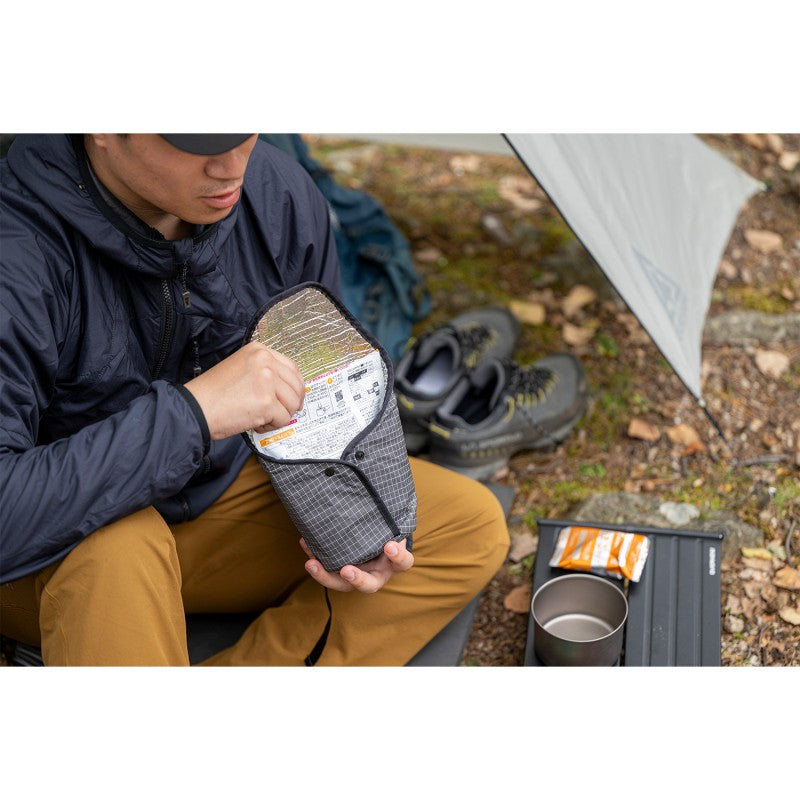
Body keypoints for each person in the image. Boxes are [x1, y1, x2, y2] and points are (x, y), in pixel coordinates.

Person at [0, 134, 509, 666]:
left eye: (242, 130)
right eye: (197, 140)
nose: (230, 166)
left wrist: (353, 522)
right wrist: (195, 415)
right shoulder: (16, 248)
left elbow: (319, 399)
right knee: (117, 547)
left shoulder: (276, 193)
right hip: (58, 550)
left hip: (218, 504)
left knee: (463, 526)